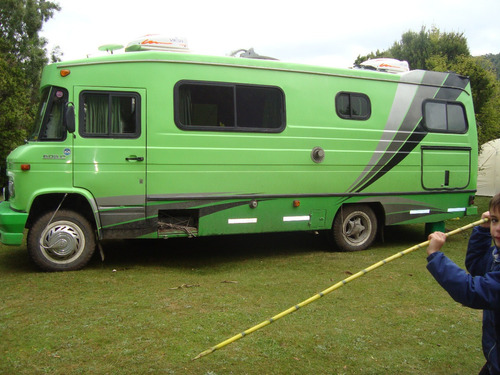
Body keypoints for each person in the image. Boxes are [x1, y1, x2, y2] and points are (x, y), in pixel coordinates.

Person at [426, 194, 500, 375]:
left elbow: (472, 291)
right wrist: (482, 231)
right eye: (495, 220)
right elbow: (477, 266)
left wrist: (435, 256)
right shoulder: (497, 254)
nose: (497, 229)